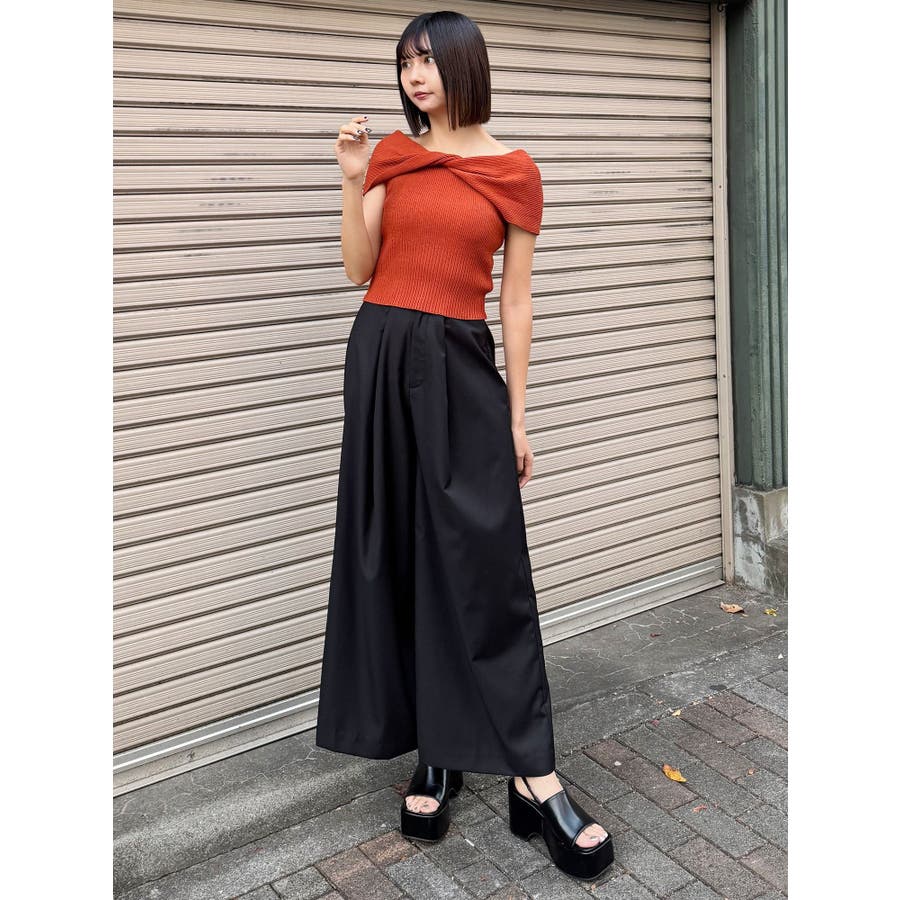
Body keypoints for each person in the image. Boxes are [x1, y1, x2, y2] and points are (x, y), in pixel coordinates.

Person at [314, 10, 613, 880]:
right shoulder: (393, 156)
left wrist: (516, 417)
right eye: (405, 62)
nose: (414, 76)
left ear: (464, 65)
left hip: (458, 363)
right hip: (380, 357)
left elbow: (515, 300)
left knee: (487, 568)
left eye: (429, 61)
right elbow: (358, 269)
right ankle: (436, 753)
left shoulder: (514, 172)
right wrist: (351, 181)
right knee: (399, 559)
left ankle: (533, 772)